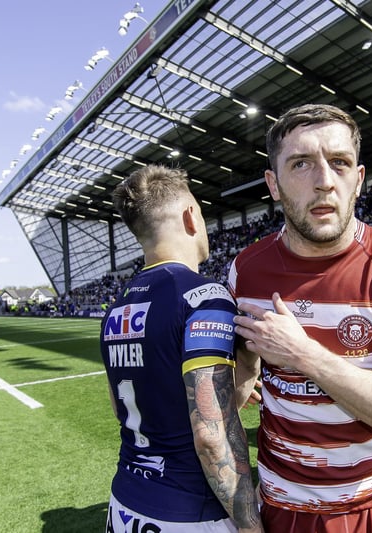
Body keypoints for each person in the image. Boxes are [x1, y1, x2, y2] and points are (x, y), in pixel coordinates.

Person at [229, 104, 372, 532]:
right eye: (301, 164)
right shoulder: (245, 271)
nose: (325, 181)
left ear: (359, 179)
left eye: (340, 163)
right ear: (273, 184)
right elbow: (234, 390)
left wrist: (304, 354)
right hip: (283, 510)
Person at [101, 166, 262, 533]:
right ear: (191, 216)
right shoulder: (204, 297)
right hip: (189, 512)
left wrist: (236, 384)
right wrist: (250, 524)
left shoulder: (116, 308)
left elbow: (123, 407)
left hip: (125, 504)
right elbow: (210, 433)